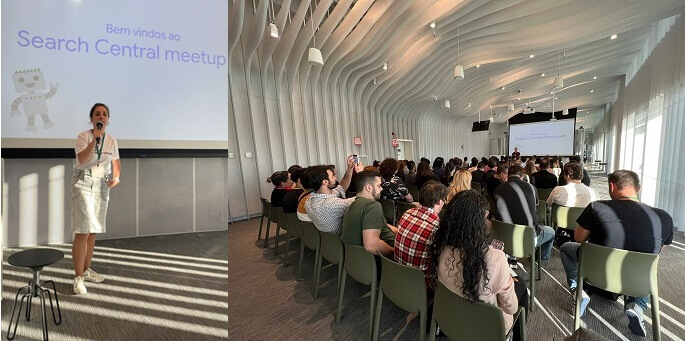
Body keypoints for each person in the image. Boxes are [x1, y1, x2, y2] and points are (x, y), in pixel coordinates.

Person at [560, 170, 673, 336]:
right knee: (650, 264)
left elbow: (578, 238)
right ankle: (638, 306)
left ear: (612, 186)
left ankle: (579, 291)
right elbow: (658, 250)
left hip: (597, 270)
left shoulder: (597, 207)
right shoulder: (664, 217)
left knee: (565, 248)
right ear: (638, 188)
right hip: (636, 276)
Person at [432, 190, 528, 341]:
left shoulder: (440, 247)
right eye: (486, 218)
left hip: (449, 318)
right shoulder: (495, 258)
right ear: (477, 224)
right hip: (488, 328)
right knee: (520, 284)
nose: (488, 222)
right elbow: (511, 307)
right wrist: (503, 270)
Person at [71, 103, 120, 295]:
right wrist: (95, 140)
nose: (101, 116)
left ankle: (86, 270)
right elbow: (82, 159)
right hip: (83, 181)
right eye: (97, 114)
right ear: (92, 118)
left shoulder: (112, 141)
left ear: (108, 119)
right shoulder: (84, 136)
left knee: (93, 231)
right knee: (82, 230)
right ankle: (78, 277)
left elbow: (115, 161)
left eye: (104, 114)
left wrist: (116, 177)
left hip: (101, 183)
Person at [494, 165, 555, 261]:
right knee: (551, 232)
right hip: (528, 238)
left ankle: (512, 255)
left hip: (505, 237)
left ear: (507, 175)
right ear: (521, 176)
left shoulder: (498, 189)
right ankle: (540, 258)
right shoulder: (531, 187)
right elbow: (535, 205)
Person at [394, 181, 447, 289]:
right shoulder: (437, 227)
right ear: (439, 201)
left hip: (397, 273)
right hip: (420, 284)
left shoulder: (408, 213)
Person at [341, 171, 397, 256]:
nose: (381, 189)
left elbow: (378, 224)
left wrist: (398, 231)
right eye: (379, 186)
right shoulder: (372, 206)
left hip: (356, 260)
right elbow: (371, 245)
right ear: (369, 187)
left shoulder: (352, 205)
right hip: (386, 259)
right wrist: (397, 252)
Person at [306, 157, 362, 235]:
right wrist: (362, 174)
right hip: (345, 240)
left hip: (330, 243)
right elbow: (362, 199)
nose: (335, 178)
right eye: (332, 176)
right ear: (325, 182)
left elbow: (341, 187)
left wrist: (350, 168)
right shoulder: (332, 205)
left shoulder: (309, 201)